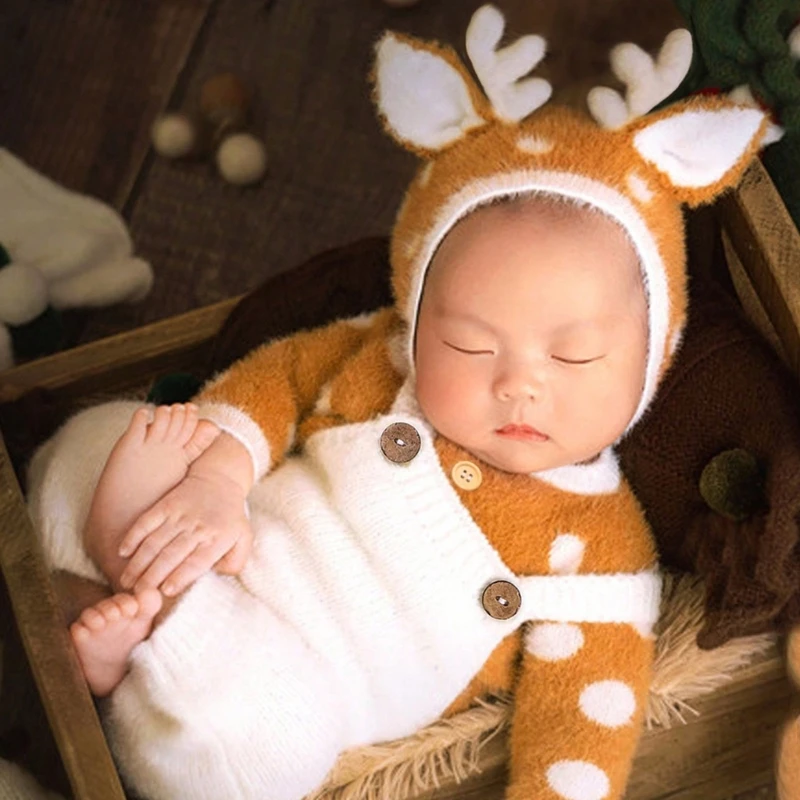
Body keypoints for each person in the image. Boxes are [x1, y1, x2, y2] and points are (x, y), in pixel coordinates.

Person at [26, 7, 769, 800]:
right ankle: (120, 591)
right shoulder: (381, 360)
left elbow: (583, 714)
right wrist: (213, 480)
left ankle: (153, 612)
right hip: (221, 533)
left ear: (652, 356)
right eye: (471, 346)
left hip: (280, 673)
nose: (519, 383)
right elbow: (275, 381)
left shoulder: (599, 547)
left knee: (269, 755)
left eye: (575, 355)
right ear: (415, 318)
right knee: (90, 442)